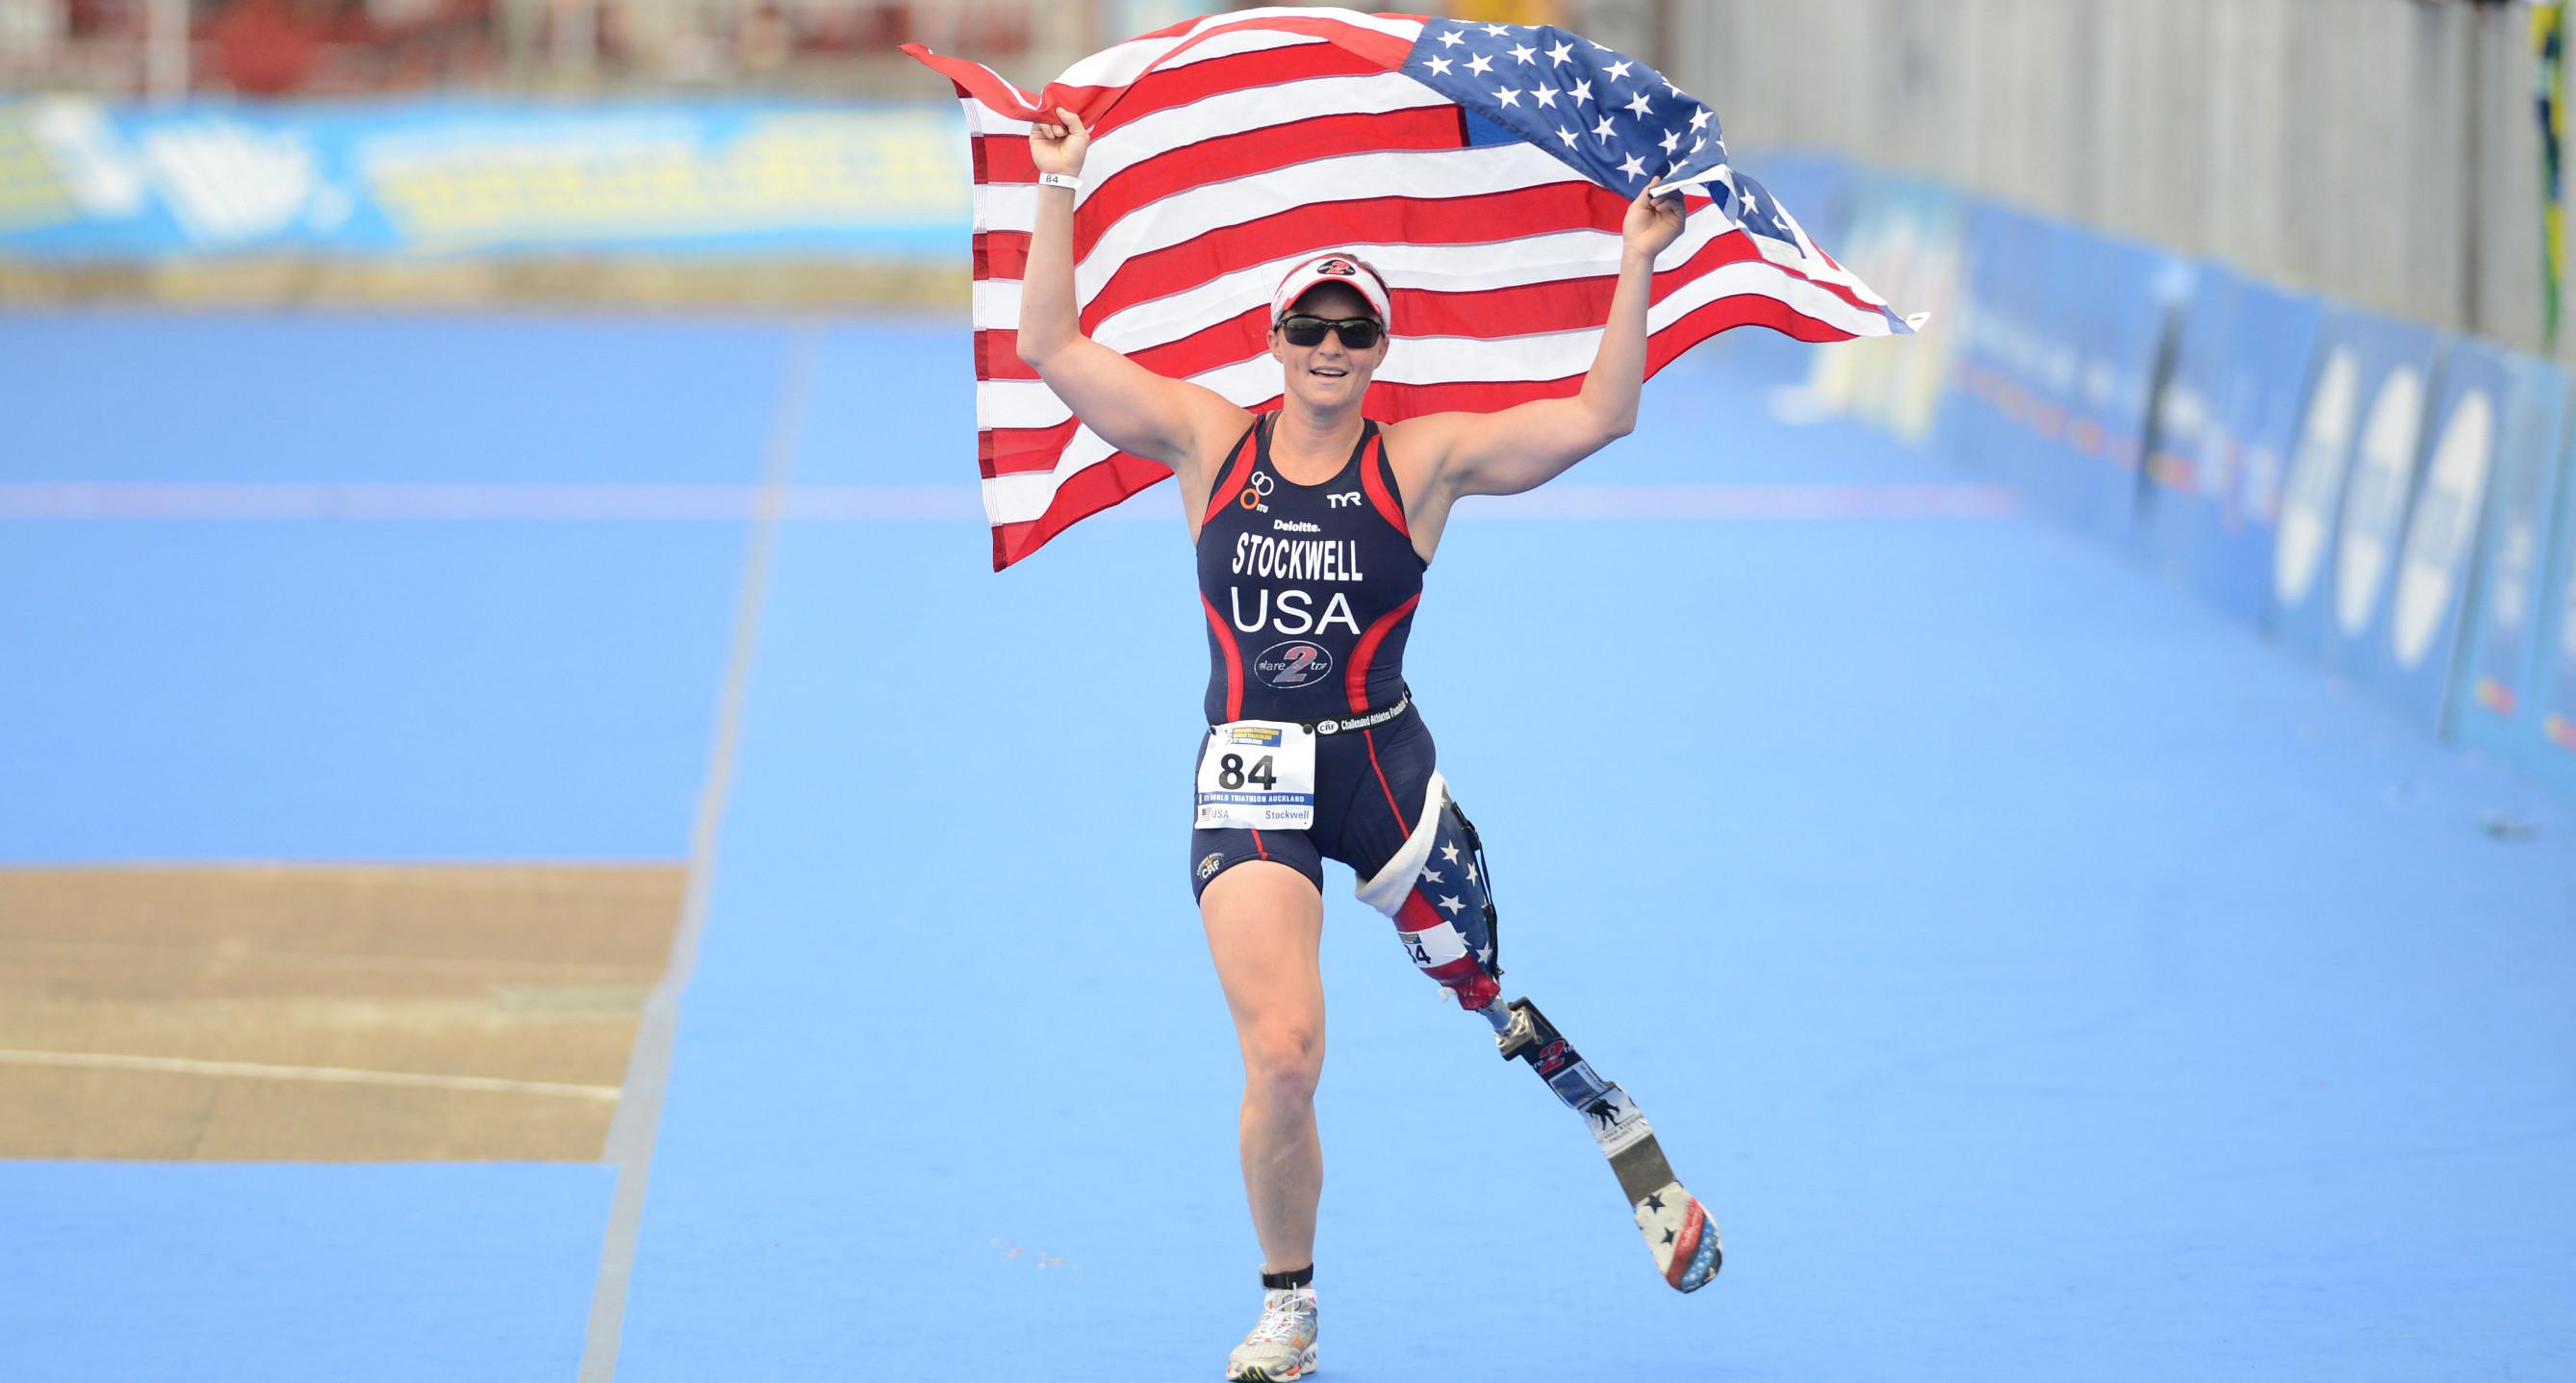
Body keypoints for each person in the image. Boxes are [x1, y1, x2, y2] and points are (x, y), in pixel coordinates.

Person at [1016, 108, 1694, 1382]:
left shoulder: (1421, 461)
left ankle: (1596, 1098)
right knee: (1282, 1052)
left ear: (1379, 349)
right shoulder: (1208, 440)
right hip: (1251, 768)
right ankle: (1290, 1309)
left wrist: (1638, 257)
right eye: (1307, 326)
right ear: (1273, 343)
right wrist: (1059, 179)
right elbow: (1047, 342)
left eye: (1352, 328)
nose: (1328, 346)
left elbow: (1602, 413)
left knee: (1474, 983)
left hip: (1382, 768)